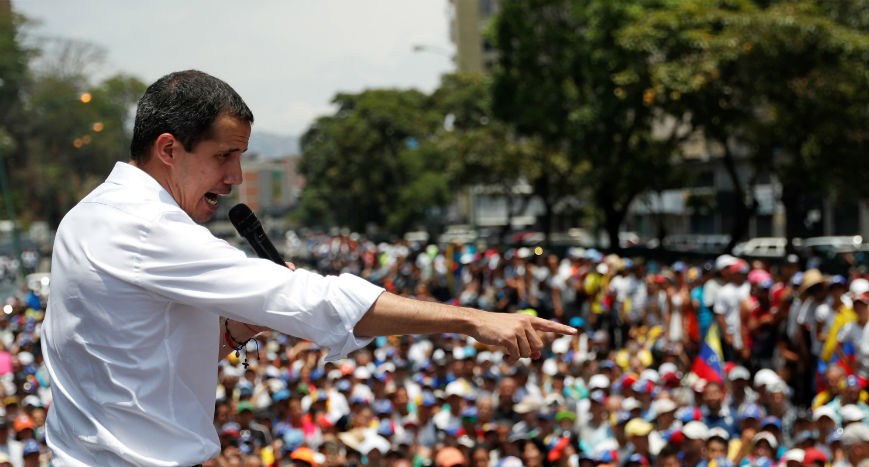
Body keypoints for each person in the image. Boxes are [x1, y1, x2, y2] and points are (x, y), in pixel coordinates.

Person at [39, 70, 576, 467]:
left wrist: (229, 333)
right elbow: (314, 299)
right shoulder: (144, 226)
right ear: (168, 149)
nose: (236, 178)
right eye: (225, 156)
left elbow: (128, 357)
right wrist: (471, 320)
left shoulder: (88, 216)